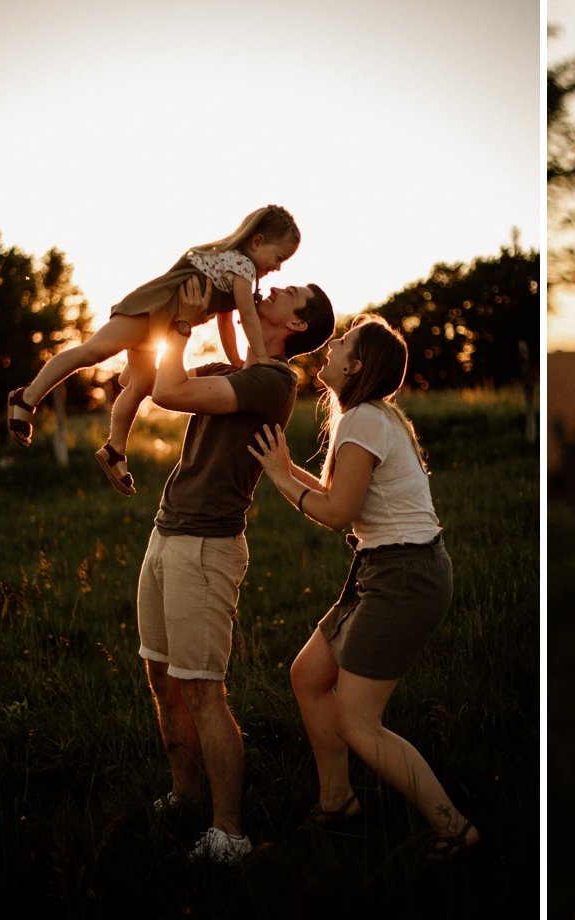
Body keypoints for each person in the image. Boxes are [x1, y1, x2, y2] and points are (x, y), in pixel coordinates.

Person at [247, 314, 480, 860]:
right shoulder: (366, 418)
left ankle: (454, 829)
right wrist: (285, 470)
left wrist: (282, 479)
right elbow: (337, 497)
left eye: (342, 343)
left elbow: (336, 513)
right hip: (385, 569)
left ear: (355, 367)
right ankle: (338, 803)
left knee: (357, 720)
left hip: (405, 577)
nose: (329, 346)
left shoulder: (365, 422)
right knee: (308, 676)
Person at [138, 276, 334, 865]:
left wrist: (181, 326)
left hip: (205, 548)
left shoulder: (275, 382)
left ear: (297, 325)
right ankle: (183, 794)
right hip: (166, 531)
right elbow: (159, 381)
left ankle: (230, 833)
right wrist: (211, 315)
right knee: (162, 680)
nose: (274, 287)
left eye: (289, 292)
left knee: (202, 691)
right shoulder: (240, 371)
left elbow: (169, 391)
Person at [6, 205, 301, 496]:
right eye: (279, 258)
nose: (277, 267)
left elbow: (226, 320)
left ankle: (115, 450)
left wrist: (236, 359)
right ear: (258, 241)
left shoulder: (238, 270)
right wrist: (260, 357)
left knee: (141, 384)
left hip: (161, 323)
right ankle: (27, 397)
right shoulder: (243, 265)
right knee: (93, 352)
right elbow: (247, 318)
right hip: (151, 309)